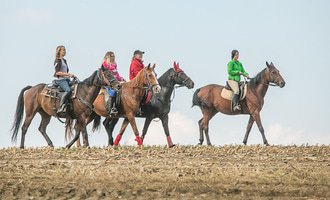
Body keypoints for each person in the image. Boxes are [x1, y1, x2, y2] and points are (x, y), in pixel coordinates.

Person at [101, 51, 125, 115]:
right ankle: (111, 108)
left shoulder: (114, 64)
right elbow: (104, 74)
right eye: (112, 56)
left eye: (114, 56)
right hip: (108, 83)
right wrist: (107, 82)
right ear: (108, 57)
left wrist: (121, 78)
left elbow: (117, 74)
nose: (113, 57)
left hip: (115, 82)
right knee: (113, 92)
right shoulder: (105, 64)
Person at [53, 45, 76, 114]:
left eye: (65, 50)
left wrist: (70, 76)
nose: (64, 51)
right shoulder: (57, 60)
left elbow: (65, 71)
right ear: (59, 51)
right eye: (63, 50)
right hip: (61, 80)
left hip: (67, 79)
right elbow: (58, 72)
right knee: (68, 90)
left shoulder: (64, 60)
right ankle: (61, 107)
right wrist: (69, 74)